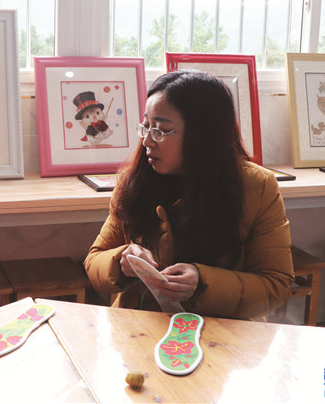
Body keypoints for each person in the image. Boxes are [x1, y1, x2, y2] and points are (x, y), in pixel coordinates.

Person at [84, 70, 294, 320]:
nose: (147, 141)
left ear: (203, 135)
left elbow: (276, 286)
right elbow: (94, 261)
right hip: (139, 325)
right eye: (146, 126)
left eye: (161, 130)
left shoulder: (257, 187)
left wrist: (203, 282)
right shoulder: (134, 181)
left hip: (220, 329)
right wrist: (121, 260)